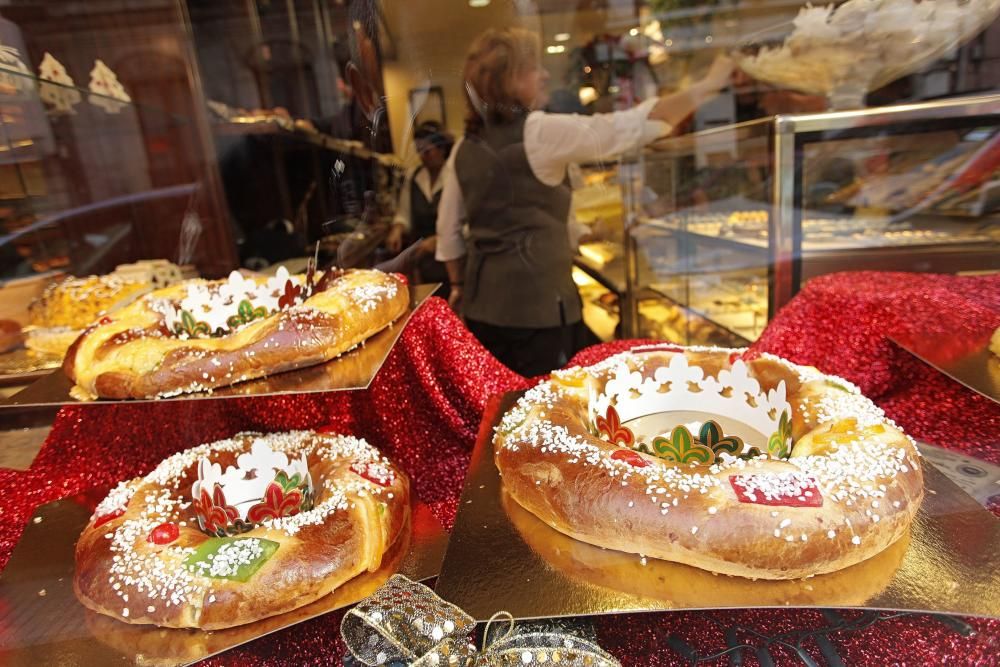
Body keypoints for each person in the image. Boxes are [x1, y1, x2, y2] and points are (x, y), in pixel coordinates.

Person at [435, 27, 734, 377]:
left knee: (501, 404)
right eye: (533, 67)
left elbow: (449, 235)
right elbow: (628, 128)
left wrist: (459, 286)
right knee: (546, 406)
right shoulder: (539, 131)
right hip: (539, 315)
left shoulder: (463, 146)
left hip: (482, 311)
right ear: (510, 80)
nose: (545, 74)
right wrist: (708, 86)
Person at [386, 121, 454, 287]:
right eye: (419, 151)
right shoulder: (414, 177)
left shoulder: (454, 177)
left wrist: (440, 240)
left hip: (451, 260)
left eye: (428, 151)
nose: (423, 157)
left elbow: (465, 222)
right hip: (423, 262)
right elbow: (404, 213)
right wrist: (398, 229)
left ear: (442, 149)